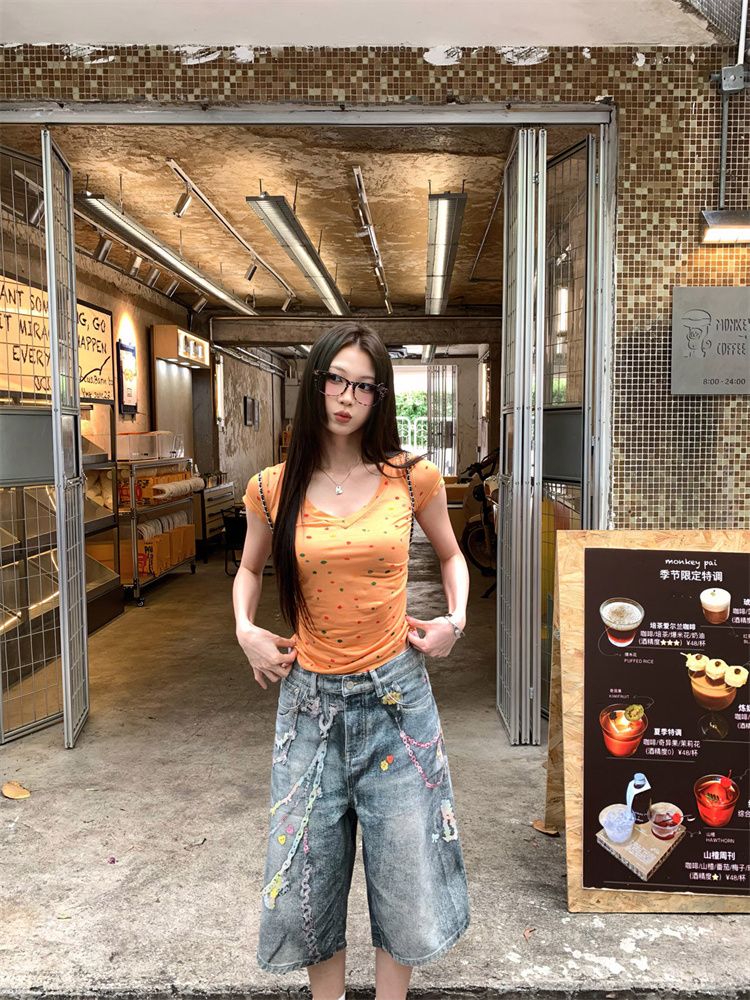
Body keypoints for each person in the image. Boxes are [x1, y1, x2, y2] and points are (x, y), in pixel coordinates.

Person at [233, 322, 471, 1000]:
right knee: (309, 871)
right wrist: (245, 629)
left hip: (396, 700)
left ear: (380, 397)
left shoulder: (412, 477)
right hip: (309, 703)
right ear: (315, 383)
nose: (347, 397)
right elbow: (248, 571)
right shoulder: (271, 488)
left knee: (405, 870)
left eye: (364, 387)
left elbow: (452, 555)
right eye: (335, 379)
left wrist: (455, 621)